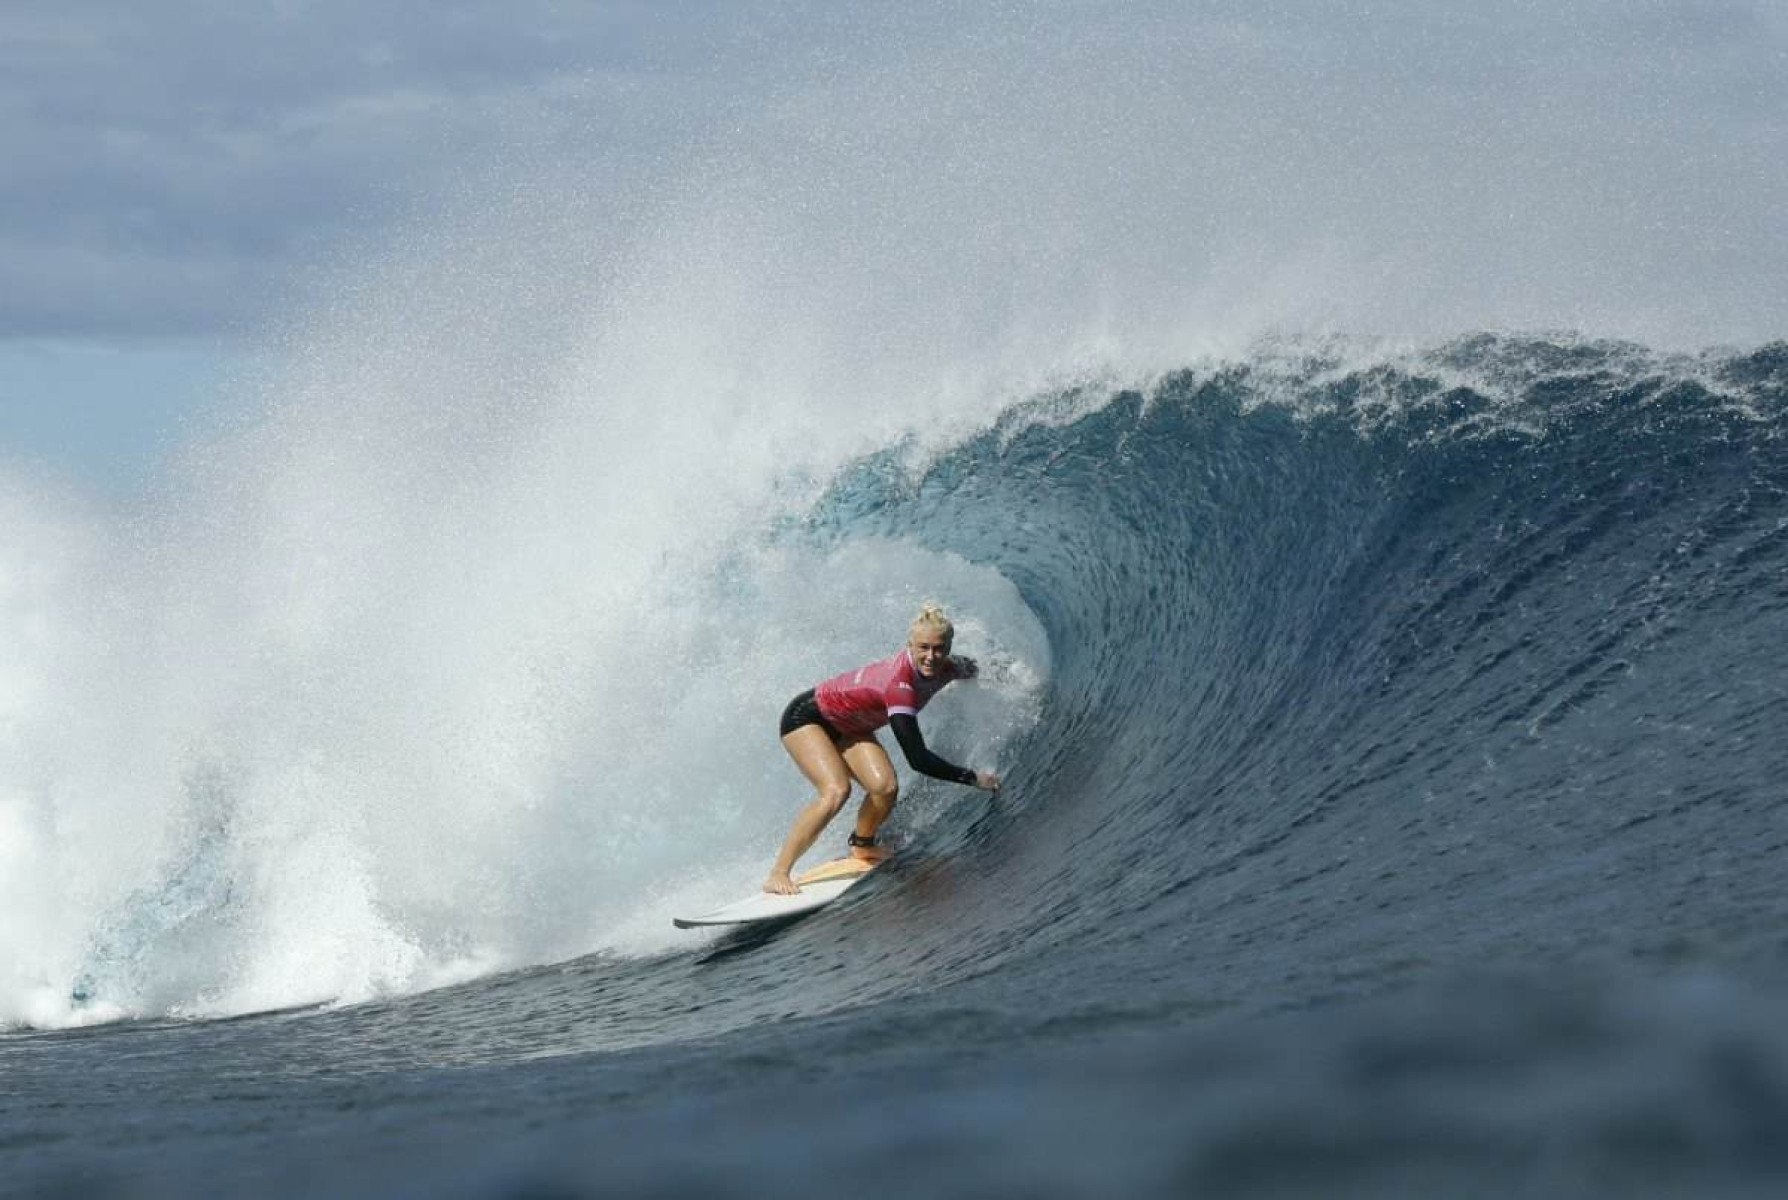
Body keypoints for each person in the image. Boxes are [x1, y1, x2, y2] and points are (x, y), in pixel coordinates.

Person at [764, 603, 1001, 894]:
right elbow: (918, 759)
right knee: (836, 791)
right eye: (923, 648)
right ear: (910, 646)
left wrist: (1010, 677)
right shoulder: (899, 686)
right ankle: (778, 874)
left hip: (849, 726)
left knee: (885, 788)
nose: (931, 656)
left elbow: (978, 671)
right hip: (807, 718)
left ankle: (862, 845)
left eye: (939, 648)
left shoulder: (950, 667)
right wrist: (973, 778)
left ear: (949, 646)